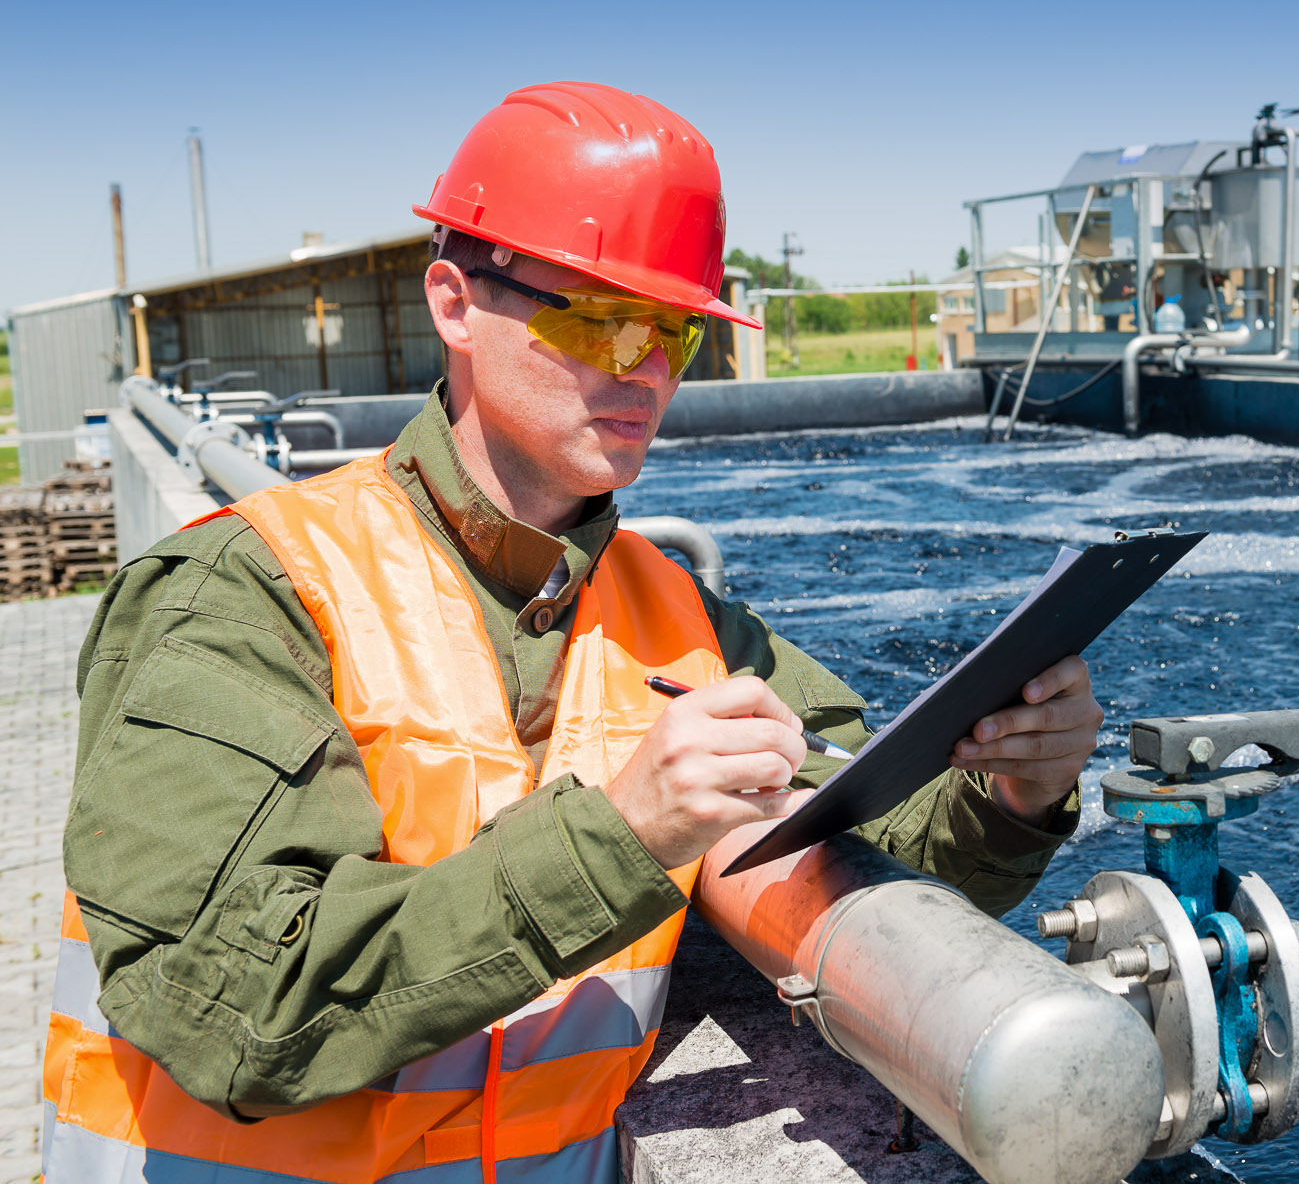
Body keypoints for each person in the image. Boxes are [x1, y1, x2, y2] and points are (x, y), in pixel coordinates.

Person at [43, 82, 1104, 1183]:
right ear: (453, 304)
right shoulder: (242, 592)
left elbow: (867, 856)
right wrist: (627, 833)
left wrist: (1010, 791)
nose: (644, 367)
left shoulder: (680, 614)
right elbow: (231, 1007)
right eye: (599, 317)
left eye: (676, 332)